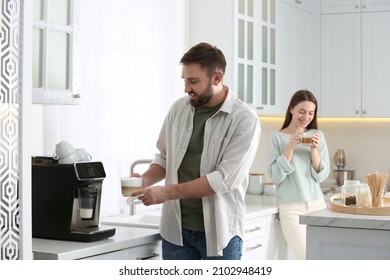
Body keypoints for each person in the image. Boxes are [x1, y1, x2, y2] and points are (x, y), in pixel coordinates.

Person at [131, 42, 260, 260]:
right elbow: (164, 157)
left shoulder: (244, 119)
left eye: (193, 81)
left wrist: (166, 192)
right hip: (176, 232)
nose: (186, 88)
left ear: (216, 78)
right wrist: (144, 180)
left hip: (220, 233)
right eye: (184, 80)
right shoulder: (178, 109)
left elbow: (223, 180)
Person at [266, 89, 330, 260]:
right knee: (306, 258)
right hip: (291, 209)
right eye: (302, 111)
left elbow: (321, 176)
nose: (306, 117)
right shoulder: (276, 138)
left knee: (322, 258)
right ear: (291, 109)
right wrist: (290, 146)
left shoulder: (317, 136)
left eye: (311, 113)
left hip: (317, 205)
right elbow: (275, 176)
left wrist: (314, 150)